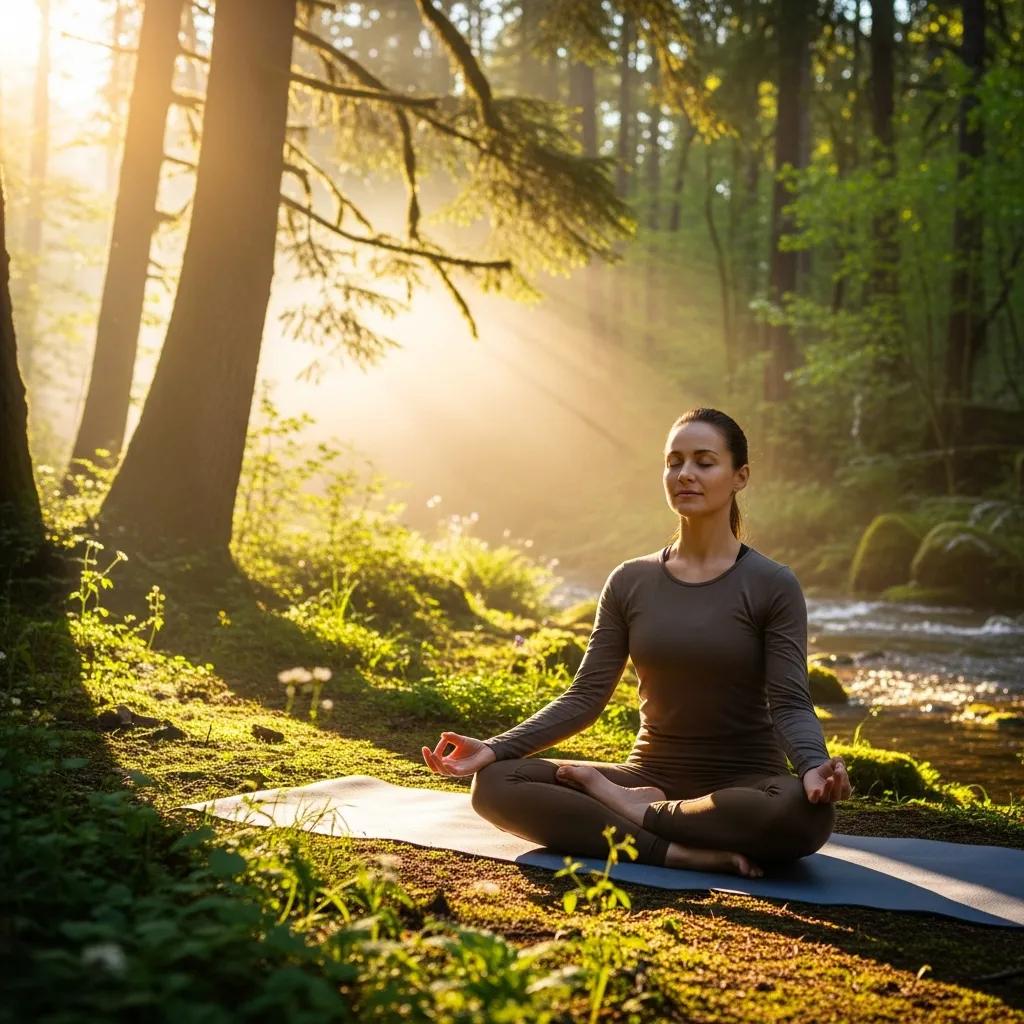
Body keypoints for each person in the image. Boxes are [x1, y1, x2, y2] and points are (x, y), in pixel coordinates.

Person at [422, 407, 852, 879]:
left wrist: (813, 767)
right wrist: (497, 748)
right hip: (648, 776)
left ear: (739, 476)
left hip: (742, 784)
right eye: (674, 462)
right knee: (496, 784)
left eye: (704, 462)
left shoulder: (773, 584)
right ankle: (672, 849)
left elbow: (790, 701)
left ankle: (634, 815)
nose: (685, 474)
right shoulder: (630, 580)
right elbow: (585, 697)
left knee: (802, 814)